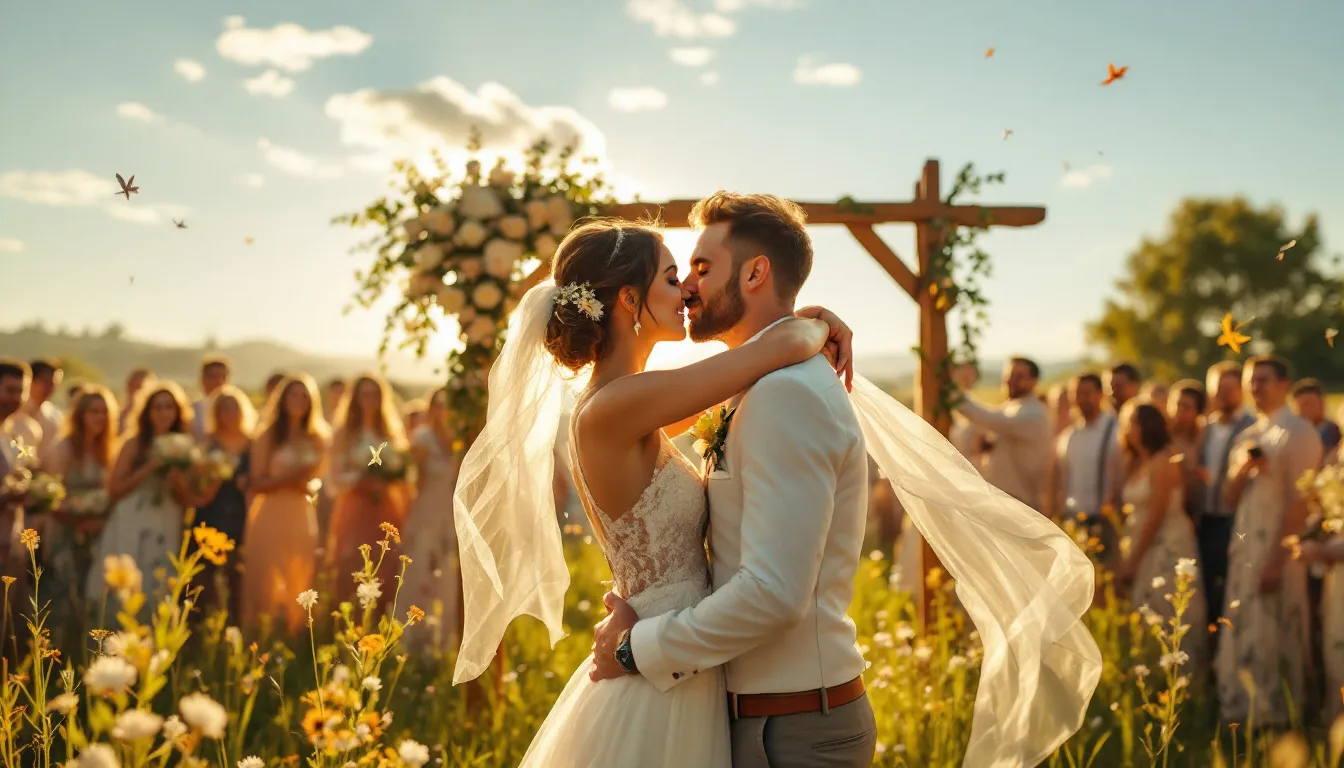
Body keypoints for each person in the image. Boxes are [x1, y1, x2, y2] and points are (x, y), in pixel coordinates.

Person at [454, 196, 1099, 768]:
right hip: (670, 677)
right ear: (628, 300)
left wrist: (802, 324)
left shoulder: (648, 402)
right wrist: (807, 325)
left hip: (708, 682)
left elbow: (748, 366)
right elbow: (755, 357)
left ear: (755, 272)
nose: (686, 292)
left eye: (697, 273)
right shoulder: (617, 408)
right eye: (677, 276)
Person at [1217, 355, 1322, 726]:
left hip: (1279, 544)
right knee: (1245, 620)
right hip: (1245, 542)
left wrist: (1278, 559)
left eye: (1262, 380)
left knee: (1279, 621)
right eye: (1250, 381)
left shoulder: (1299, 431)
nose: (1255, 388)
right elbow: (1228, 500)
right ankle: (1242, 711)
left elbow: (1301, 502)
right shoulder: (1247, 435)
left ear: (1282, 384)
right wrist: (1244, 470)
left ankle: (1280, 714)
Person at [1115, 401, 1208, 682]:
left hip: (1165, 543)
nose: (1126, 430)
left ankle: (1180, 681)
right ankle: (1152, 679)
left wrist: (1132, 562)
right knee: (1146, 611)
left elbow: (1154, 518)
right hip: (1142, 541)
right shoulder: (1139, 461)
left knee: (1167, 608)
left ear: (1144, 427)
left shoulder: (1164, 460)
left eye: (1130, 423)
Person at [953, 357, 1053, 510]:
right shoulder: (1009, 408)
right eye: (1008, 375)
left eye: (1018, 376)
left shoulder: (1036, 414)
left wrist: (950, 391)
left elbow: (985, 417)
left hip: (1023, 506)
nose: (1010, 381)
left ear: (1034, 381)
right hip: (1001, 503)